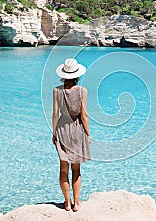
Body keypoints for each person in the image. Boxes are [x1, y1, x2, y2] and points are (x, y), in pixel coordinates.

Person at [52, 58, 91, 212]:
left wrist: (54, 133)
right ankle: (76, 203)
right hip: (77, 130)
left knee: (63, 169)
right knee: (76, 169)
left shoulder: (57, 91)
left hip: (62, 129)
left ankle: (66, 203)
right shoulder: (83, 91)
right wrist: (87, 134)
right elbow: (84, 116)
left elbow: (55, 114)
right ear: (77, 75)